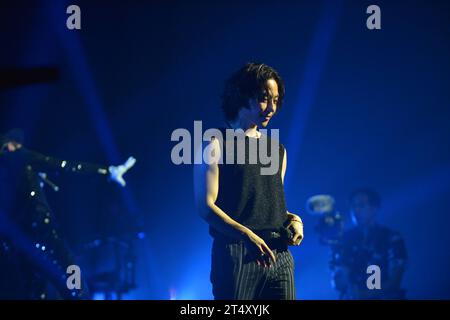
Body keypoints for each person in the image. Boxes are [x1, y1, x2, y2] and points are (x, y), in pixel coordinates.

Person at [194, 62, 303, 300]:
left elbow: (270, 205)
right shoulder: (215, 143)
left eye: (276, 100)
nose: (271, 107)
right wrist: (246, 235)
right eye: (264, 98)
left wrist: (293, 219)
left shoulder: (277, 150)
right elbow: (205, 206)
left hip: (279, 254)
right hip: (237, 253)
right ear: (242, 96)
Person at [0, 128, 136, 299]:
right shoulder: (19, 156)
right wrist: (106, 170)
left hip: (17, 241)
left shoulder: (8, 170)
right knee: (72, 277)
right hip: (43, 232)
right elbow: (62, 165)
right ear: (12, 145)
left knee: (35, 286)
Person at [330, 188, 408, 299]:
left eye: (361, 205)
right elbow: (339, 283)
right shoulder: (344, 239)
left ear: (374, 208)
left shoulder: (391, 237)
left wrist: (366, 295)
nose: (356, 210)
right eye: (353, 206)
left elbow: (395, 280)